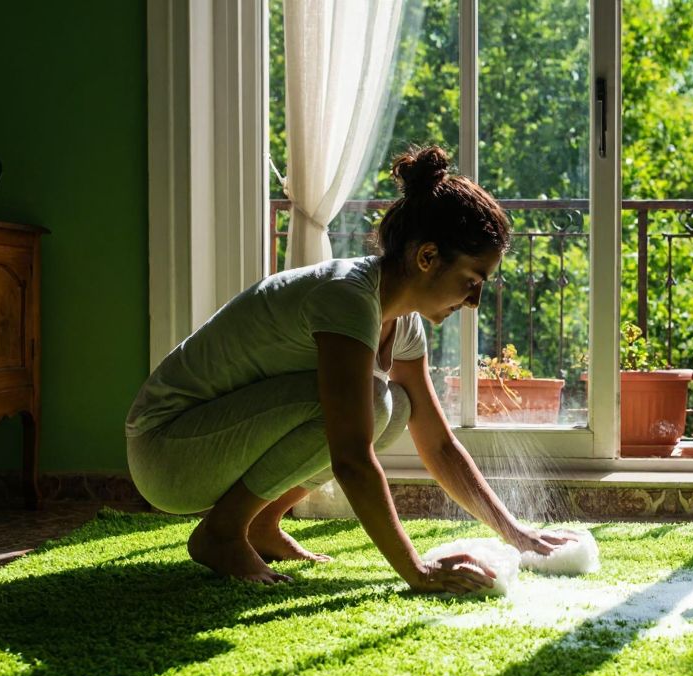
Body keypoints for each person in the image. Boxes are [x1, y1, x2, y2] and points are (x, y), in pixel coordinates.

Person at [125, 146, 574, 592]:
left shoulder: (403, 324)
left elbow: (438, 444)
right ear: (426, 257)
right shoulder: (347, 299)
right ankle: (221, 532)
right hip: (167, 451)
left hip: (205, 445)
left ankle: (262, 522)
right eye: (472, 281)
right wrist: (416, 570)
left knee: (396, 407)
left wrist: (519, 535)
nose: (474, 301)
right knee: (374, 405)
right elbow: (351, 458)